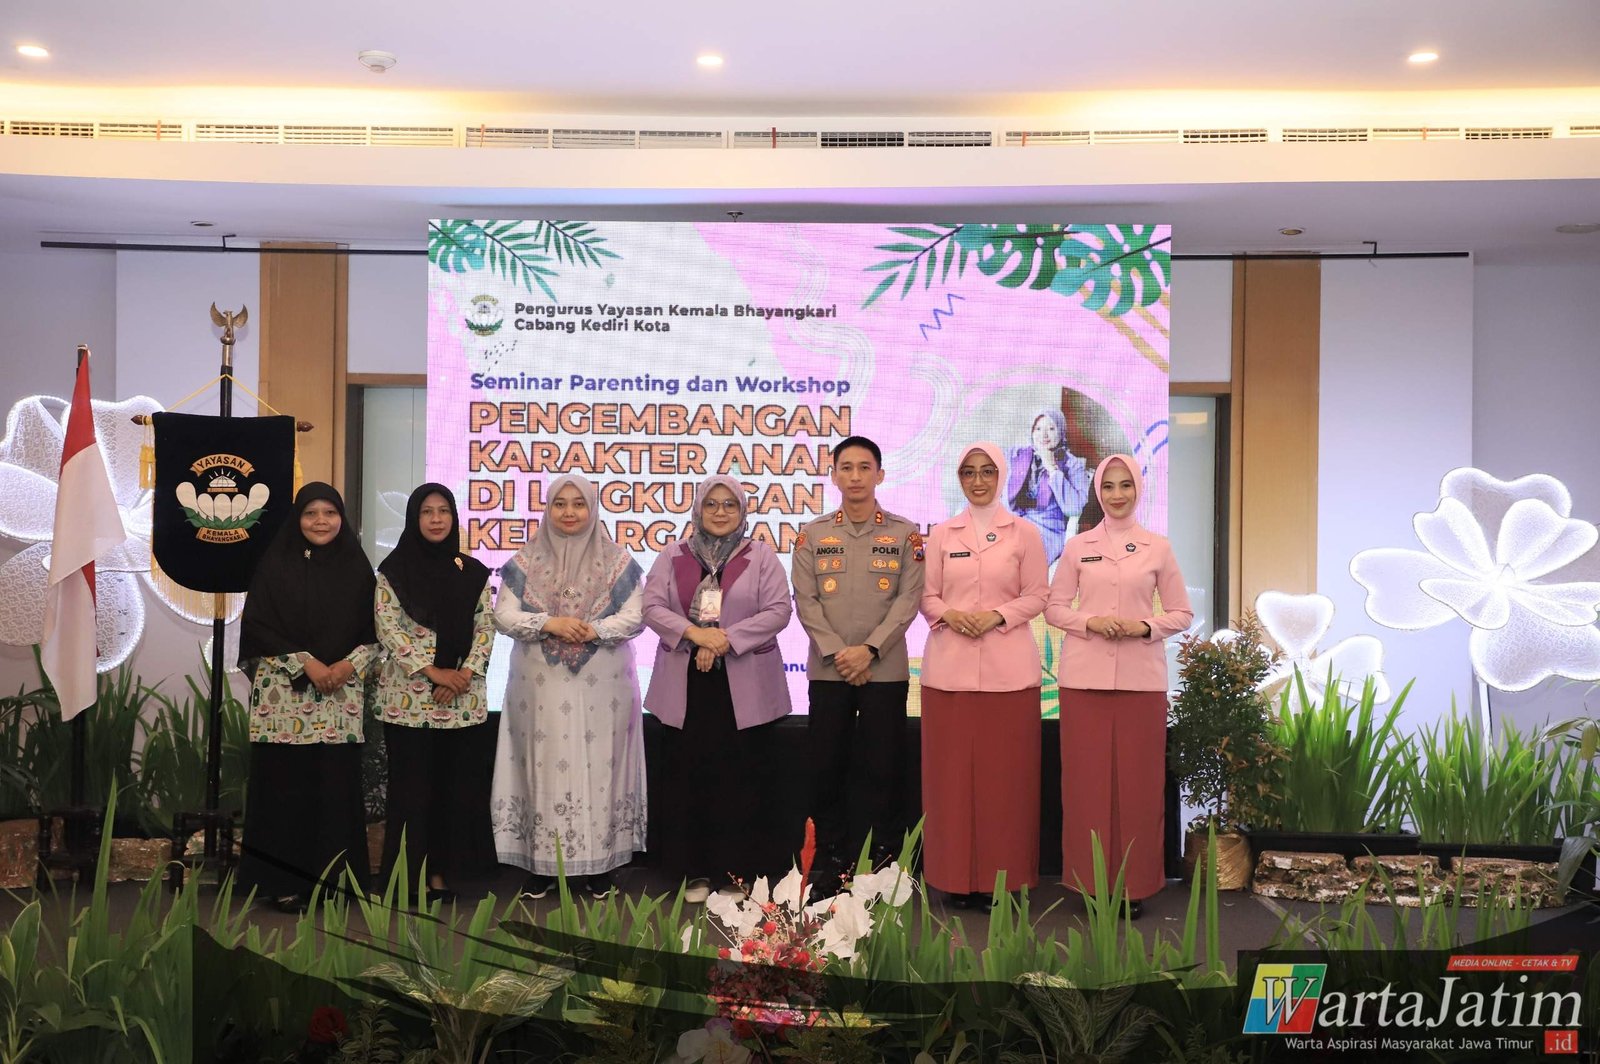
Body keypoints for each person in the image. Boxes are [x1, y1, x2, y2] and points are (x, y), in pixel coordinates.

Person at [1044, 454, 1192, 919]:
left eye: (1125, 485)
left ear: (1138, 489)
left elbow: (1181, 614)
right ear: (1097, 492)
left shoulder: (1158, 548)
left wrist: (1143, 627)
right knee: (1086, 787)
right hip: (1083, 681)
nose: (1116, 494)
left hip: (1140, 682)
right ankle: (1089, 886)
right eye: (1108, 486)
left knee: (1138, 789)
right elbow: (1054, 608)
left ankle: (1134, 886)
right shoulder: (1077, 547)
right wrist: (1091, 622)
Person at [490, 475, 646, 900]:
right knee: (541, 765)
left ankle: (602, 865)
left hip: (605, 689)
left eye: (579, 503)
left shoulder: (619, 561)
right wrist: (549, 623)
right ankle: (539, 865)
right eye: (560, 503)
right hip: (539, 688)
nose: (570, 512)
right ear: (548, 508)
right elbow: (502, 615)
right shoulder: (524, 561)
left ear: (592, 508)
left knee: (602, 767)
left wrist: (594, 630)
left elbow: (636, 616)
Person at [642, 474, 792, 903]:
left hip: (744, 686)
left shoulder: (760, 555)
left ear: (742, 511)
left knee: (740, 780)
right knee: (688, 779)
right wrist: (696, 634)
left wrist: (723, 638)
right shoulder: (673, 554)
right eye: (712, 504)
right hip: (685, 684)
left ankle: (735, 874)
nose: (720, 512)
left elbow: (779, 609)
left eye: (730, 505)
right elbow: (651, 606)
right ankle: (694, 873)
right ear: (698, 510)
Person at [237, 482, 379, 913]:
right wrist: (307, 663)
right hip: (284, 699)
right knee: (285, 791)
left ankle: (337, 883)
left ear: (341, 518)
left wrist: (349, 664)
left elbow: (377, 629)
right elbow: (258, 626)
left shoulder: (357, 569)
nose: (321, 521)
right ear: (297, 518)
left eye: (330, 513)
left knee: (335, 791)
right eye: (311, 513)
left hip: (340, 697)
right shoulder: (274, 566)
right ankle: (283, 884)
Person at [919, 442, 1049, 909]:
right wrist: (951, 616)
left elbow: (1038, 595)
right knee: (951, 783)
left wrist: (997, 615)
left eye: (987, 471)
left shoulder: (1025, 533)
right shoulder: (941, 534)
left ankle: (1003, 879)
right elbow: (927, 597)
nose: (978, 481)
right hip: (948, 675)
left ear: (1002, 476)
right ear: (960, 479)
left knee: (1005, 782)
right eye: (969, 472)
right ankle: (955, 878)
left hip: (1008, 676)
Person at [792, 435, 925, 881]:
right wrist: (839, 653)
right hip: (828, 671)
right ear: (833, 476)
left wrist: (868, 651)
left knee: (883, 769)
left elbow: (908, 600)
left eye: (864, 468)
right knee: (825, 768)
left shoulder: (905, 534)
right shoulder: (812, 534)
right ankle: (829, 860)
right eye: (846, 468)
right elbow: (805, 601)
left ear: (880, 475)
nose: (855, 476)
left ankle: (884, 862)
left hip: (883, 671)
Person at [372, 483, 496, 903]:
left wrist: (464, 673)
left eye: (444, 511)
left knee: (452, 793)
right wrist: (434, 672)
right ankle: (407, 881)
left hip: (461, 699)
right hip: (409, 701)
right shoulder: (393, 570)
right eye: (427, 511)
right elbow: (388, 627)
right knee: (411, 795)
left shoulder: (473, 572)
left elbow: (486, 625)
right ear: (414, 518)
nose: (437, 519)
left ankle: (443, 876)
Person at [1005, 408, 1089, 565]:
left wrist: (1052, 468)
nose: (1043, 435)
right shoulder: (1019, 455)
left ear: (1061, 432)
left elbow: (1076, 508)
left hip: (1048, 529)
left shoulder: (1073, 464)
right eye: (1038, 429)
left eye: (1051, 428)